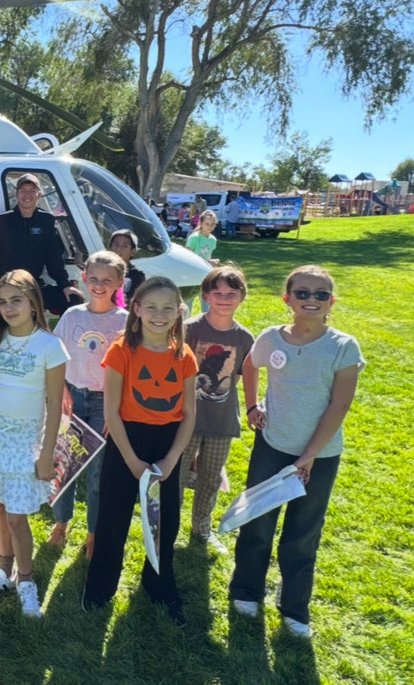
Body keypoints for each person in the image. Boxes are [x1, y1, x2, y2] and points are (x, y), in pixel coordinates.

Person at [229, 265, 363, 639]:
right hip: (273, 446)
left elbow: (340, 406)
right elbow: (249, 366)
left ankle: (294, 608)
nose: (311, 300)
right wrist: (253, 406)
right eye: (302, 293)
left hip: (319, 456)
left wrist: (308, 457)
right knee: (258, 523)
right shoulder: (272, 338)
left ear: (331, 302)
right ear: (287, 298)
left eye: (321, 294)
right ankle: (246, 591)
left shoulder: (343, 347)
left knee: (303, 532)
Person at [83, 276, 197, 626]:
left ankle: (158, 582)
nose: (159, 315)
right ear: (136, 309)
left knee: (167, 522)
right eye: (151, 307)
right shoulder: (121, 351)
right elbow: (112, 410)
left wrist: (171, 458)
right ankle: (101, 587)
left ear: (179, 312)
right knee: (112, 519)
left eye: (168, 308)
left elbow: (190, 413)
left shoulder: (184, 355)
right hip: (126, 441)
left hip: (167, 443)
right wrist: (132, 460)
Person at [0, 270, 68, 618]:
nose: (9, 308)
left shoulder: (49, 346)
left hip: (26, 441)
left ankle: (26, 581)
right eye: (3, 302)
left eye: (17, 300)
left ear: (34, 304)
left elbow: (55, 404)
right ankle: (3, 571)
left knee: (17, 516)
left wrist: (46, 453)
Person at [48, 251, 129, 556]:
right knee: (65, 465)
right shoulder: (72, 316)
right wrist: (63, 391)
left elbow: (127, 369)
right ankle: (61, 522)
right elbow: (56, 359)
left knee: (96, 472)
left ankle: (93, 532)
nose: (99, 285)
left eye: (107, 281)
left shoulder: (125, 322)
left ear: (119, 283)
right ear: (84, 279)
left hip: (103, 403)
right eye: (93, 279)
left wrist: (113, 407)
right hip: (72, 398)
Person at [179, 265, 254, 555]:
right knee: (176, 474)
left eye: (231, 293)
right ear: (206, 295)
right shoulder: (191, 329)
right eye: (217, 293)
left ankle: (201, 528)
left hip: (222, 421)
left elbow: (238, 377)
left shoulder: (245, 338)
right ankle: (166, 525)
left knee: (210, 478)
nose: (224, 298)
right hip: (186, 419)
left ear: (241, 297)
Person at [0, 176, 82, 313]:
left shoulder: (46, 221)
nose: (27, 195)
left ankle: (55, 334)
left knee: (73, 298)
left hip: (34, 286)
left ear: (39, 195)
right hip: (7, 286)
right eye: (23, 191)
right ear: (16, 194)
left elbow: (53, 257)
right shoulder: (1, 222)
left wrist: (65, 285)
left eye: (32, 191)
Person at [108, 229, 146, 307]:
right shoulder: (103, 270)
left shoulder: (137, 274)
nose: (118, 249)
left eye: (125, 246)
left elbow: (138, 299)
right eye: (115, 245)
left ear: (133, 251)